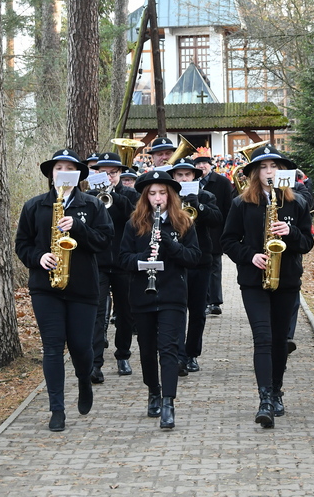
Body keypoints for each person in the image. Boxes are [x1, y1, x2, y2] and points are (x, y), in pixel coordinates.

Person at [15, 149, 114, 432]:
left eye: (70, 167)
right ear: (51, 174)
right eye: (59, 167)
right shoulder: (34, 206)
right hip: (46, 288)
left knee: (81, 347)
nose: (63, 172)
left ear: (79, 176)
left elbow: (105, 241)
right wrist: (38, 258)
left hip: (82, 287)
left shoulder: (93, 206)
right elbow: (22, 244)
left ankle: (84, 379)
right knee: (53, 347)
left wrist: (79, 228)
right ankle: (56, 408)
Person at [221, 144, 314, 428]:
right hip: (254, 281)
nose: (269, 171)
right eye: (263, 167)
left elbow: (308, 243)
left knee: (279, 341)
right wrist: (251, 256)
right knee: (262, 338)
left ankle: (276, 390)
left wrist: (291, 231)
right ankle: (264, 399)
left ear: (282, 171)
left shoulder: (296, 202)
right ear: (255, 173)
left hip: (286, 280)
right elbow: (227, 242)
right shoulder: (241, 204)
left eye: (274, 166)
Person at [118, 170, 201, 430]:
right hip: (142, 295)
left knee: (168, 348)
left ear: (171, 196)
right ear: (145, 197)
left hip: (173, 296)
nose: (157, 198)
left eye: (162, 193)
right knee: (146, 349)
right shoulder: (134, 223)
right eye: (152, 193)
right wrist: (144, 257)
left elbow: (194, 257)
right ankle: (153, 390)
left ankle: (168, 403)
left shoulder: (184, 223)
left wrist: (170, 245)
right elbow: (123, 259)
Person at [168, 157, 222, 373]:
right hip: (175, 261)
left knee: (198, 311)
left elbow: (217, 219)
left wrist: (198, 204)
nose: (183, 178)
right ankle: (179, 355)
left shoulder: (206, 195)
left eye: (187, 174)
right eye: (179, 175)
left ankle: (192, 354)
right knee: (177, 309)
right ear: (173, 177)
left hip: (200, 260)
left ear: (194, 176)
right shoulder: (168, 197)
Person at [88, 152, 136, 383]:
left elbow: (135, 220)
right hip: (97, 262)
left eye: (113, 173)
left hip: (123, 262)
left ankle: (122, 355)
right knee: (97, 313)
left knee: (126, 312)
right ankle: (95, 363)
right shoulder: (88, 196)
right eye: (103, 173)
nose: (108, 177)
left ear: (119, 175)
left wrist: (113, 197)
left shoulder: (130, 195)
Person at [193, 150, 234, 316]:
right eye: (199, 164)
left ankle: (215, 302)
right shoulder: (191, 183)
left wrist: (227, 230)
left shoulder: (223, 182)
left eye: (205, 163)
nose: (202, 166)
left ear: (211, 165)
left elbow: (228, 207)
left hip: (216, 231)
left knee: (215, 268)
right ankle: (204, 300)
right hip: (197, 232)